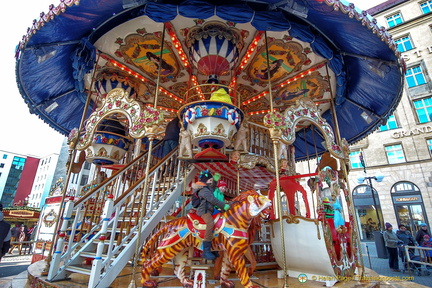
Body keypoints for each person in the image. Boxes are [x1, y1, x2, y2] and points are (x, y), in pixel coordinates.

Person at [194, 170, 230, 260]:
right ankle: (206, 251)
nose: (211, 182)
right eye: (210, 180)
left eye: (211, 181)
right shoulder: (203, 190)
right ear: (205, 181)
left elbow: (212, 187)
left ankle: (213, 247)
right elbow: (213, 200)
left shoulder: (207, 188)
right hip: (204, 211)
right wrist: (223, 205)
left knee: (220, 220)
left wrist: (215, 180)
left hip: (210, 210)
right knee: (210, 223)